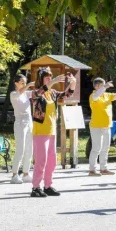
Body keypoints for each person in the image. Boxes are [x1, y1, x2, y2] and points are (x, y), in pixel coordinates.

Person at [30, 68, 76, 197]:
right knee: (41, 160)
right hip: (40, 131)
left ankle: (48, 185)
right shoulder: (35, 92)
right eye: (47, 77)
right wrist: (52, 82)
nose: (50, 79)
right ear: (41, 79)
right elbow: (39, 94)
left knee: (52, 160)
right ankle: (35, 187)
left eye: (51, 77)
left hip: (51, 130)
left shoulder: (53, 92)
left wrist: (73, 82)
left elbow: (67, 95)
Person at [89, 78, 116, 176]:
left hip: (107, 126)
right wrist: (105, 86)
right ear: (96, 86)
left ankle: (103, 168)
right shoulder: (93, 95)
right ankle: (92, 170)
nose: (104, 87)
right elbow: (96, 97)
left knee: (105, 148)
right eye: (102, 85)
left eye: (104, 85)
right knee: (96, 148)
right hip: (96, 126)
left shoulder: (107, 95)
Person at [9, 75, 34, 184]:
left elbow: (39, 91)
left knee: (29, 149)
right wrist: (28, 85)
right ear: (16, 83)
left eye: (25, 82)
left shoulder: (26, 94)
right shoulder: (13, 94)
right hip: (20, 124)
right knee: (21, 149)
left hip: (29, 123)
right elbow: (20, 92)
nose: (24, 84)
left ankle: (26, 173)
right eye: (22, 82)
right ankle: (14, 174)